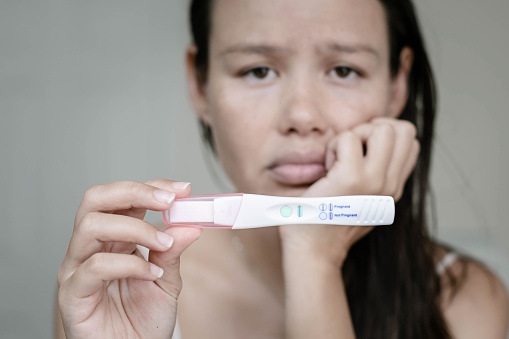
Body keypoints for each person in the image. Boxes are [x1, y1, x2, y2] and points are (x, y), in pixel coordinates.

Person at [55, 0, 509, 338]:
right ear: (199, 83)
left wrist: (314, 258)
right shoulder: (119, 291)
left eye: (345, 70)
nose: (302, 116)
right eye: (257, 71)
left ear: (397, 85)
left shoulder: (464, 303)